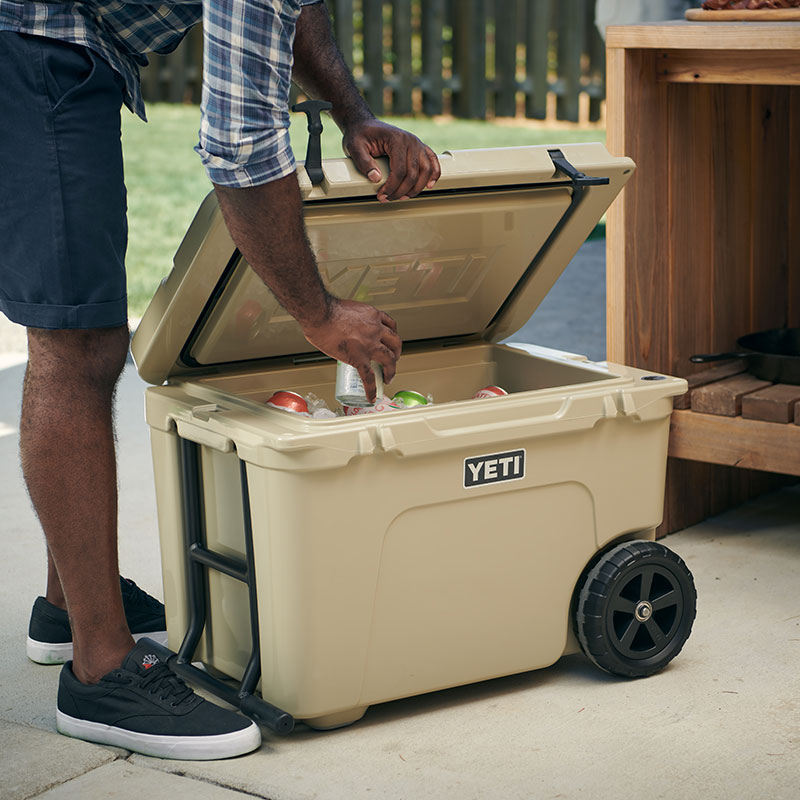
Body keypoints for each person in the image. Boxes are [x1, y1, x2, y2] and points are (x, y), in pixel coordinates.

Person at [0, 0, 439, 760]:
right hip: (30, 45)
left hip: (64, 41)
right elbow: (239, 143)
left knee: (87, 337)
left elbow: (297, 10)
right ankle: (100, 668)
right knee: (74, 344)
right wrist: (318, 312)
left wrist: (351, 111)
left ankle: (68, 607)